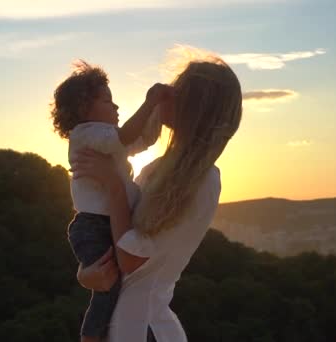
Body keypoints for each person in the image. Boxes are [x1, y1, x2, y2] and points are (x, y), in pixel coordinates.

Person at [71, 52, 243, 342]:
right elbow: (114, 237)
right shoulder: (157, 169)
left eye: (178, 88)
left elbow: (131, 261)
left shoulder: (203, 180)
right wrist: (85, 272)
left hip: (145, 329)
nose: (166, 92)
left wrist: (113, 183)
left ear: (195, 107)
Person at [51, 60, 173, 342]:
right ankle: (92, 337)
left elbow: (143, 140)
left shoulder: (106, 141)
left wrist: (157, 112)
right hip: (94, 226)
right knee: (110, 289)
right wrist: (149, 101)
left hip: (107, 223)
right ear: (84, 109)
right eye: (108, 100)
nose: (116, 107)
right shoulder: (86, 133)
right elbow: (127, 135)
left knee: (123, 287)